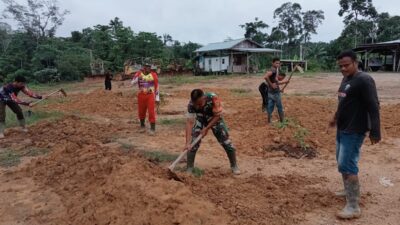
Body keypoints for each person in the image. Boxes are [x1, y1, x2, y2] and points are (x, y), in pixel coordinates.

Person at [329, 50, 381, 219]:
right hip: (343, 127)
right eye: (340, 66)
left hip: (355, 129)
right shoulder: (346, 79)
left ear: (355, 63)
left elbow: (374, 106)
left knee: (347, 164)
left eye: (346, 65)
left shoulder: (364, 80)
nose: (343, 68)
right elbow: (343, 101)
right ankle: (347, 190)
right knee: (341, 161)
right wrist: (335, 118)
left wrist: (375, 130)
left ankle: (353, 206)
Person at [184, 89, 240, 175]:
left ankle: (234, 166)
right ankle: (189, 168)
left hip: (214, 118)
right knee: (192, 143)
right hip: (201, 119)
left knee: (226, 141)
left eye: (200, 103)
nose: (198, 106)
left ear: (204, 98)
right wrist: (187, 142)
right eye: (196, 104)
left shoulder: (213, 98)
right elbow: (189, 122)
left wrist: (206, 128)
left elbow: (218, 116)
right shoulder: (191, 104)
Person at [131, 63, 159, 135]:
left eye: (149, 67)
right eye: (146, 67)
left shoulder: (154, 75)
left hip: (150, 95)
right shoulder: (139, 73)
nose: (148, 68)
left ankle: (152, 129)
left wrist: (157, 98)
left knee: (151, 112)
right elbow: (132, 83)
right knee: (141, 111)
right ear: (143, 67)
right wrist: (137, 77)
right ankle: (142, 125)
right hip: (141, 95)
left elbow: (157, 86)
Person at [264, 57, 289, 123]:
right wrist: (271, 85)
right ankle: (282, 121)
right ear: (273, 63)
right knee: (279, 107)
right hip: (275, 93)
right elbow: (265, 77)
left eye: (279, 63)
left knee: (270, 107)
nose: (278, 64)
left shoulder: (274, 69)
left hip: (270, 92)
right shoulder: (273, 70)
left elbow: (276, 82)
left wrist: (284, 83)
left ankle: (269, 121)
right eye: (276, 63)